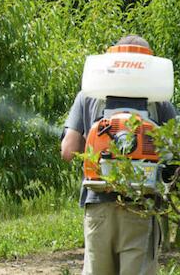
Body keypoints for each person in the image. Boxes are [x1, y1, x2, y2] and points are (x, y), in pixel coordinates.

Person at [61, 35, 177, 275]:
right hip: (141, 206)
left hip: (98, 205)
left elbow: (68, 151)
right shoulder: (160, 102)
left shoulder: (89, 96)